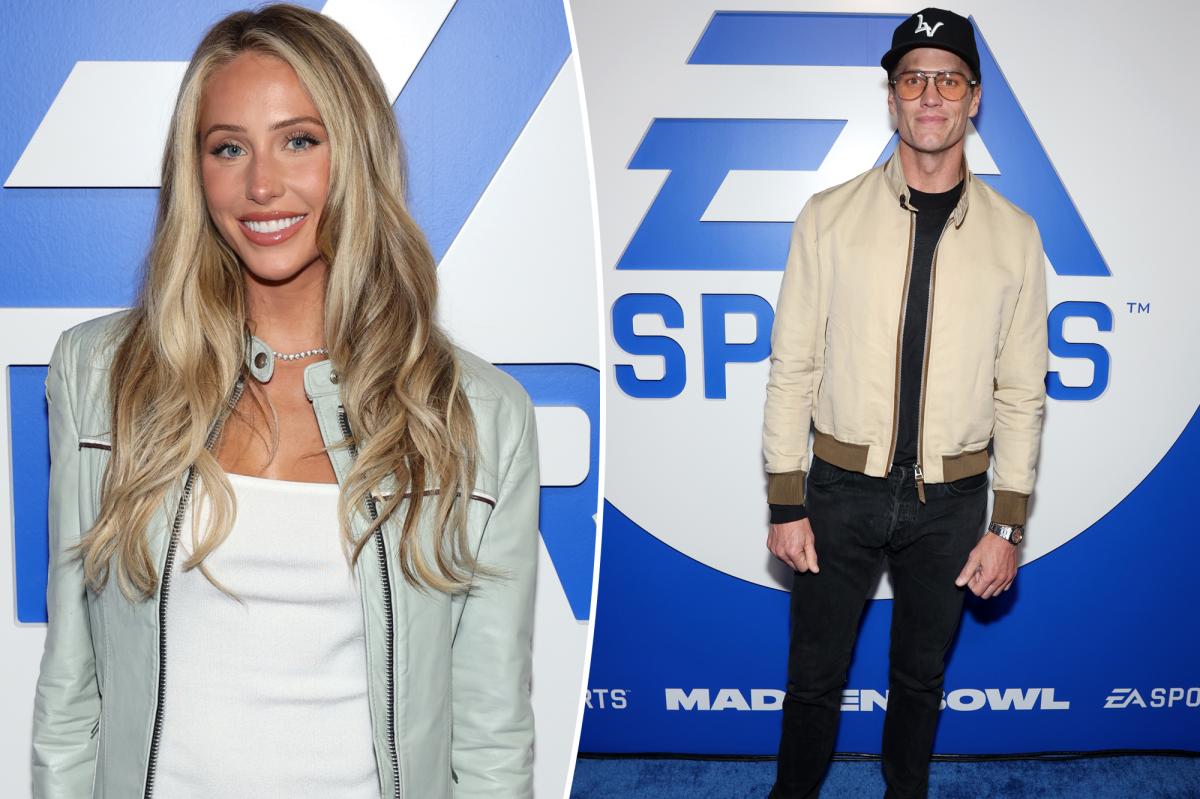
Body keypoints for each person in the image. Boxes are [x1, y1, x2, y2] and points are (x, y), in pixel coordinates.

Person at [31, 6, 538, 798]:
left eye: (299, 140)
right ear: (195, 172)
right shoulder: (102, 375)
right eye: (228, 148)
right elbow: (72, 689)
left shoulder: (475, 415)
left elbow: (491, 735)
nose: (261, 184)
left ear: (356, 153)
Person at [763, 8, 1047, 798]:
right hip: (838, 491)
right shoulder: (827, 217)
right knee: (812, 681)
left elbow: (1022, 390)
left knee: (920, 681)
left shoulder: (1016, 235)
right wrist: (785, 499)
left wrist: (1008, 525)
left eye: (947, 80)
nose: (930, 96)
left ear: (974, 98)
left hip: (953, 502)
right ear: (891, 99)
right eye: (914, 79)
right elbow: (793, 366)